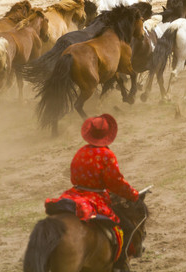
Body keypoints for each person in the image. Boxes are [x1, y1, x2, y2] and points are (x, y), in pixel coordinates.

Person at [45, 113, 139, 268]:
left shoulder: (80, 152)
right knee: (126, 227)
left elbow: (74, 176)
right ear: (107, 135)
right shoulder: (107, 155)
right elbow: (116, 182)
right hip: (96, 198)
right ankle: (120, 264)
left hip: (73, 194)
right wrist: (133, 194)